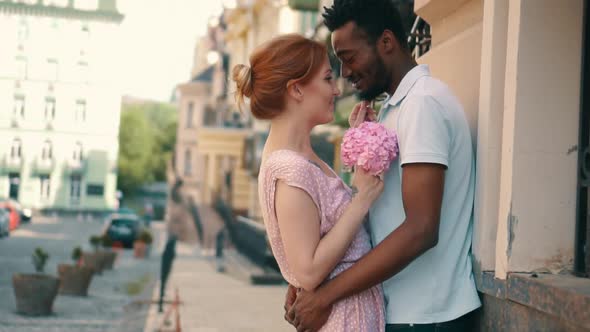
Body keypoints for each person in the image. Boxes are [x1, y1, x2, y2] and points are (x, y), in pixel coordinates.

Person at [285, 1, 481, 331]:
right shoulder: (394, 109)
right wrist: (312, 282)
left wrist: (326, 297)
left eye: (349, 57)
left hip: (428, 317)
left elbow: (421, 229)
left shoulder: (423, 103)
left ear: (386, 42)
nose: (345, 72)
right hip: (402, 312)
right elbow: (376, 217)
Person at [232, 34, 386, 331]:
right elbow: (308, 271)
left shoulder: (301, 156)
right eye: (328, 78)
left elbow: (328, 225)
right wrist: (363, 199)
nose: (337, 89)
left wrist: (358, 138)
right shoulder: (290, 169)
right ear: (297, 90)